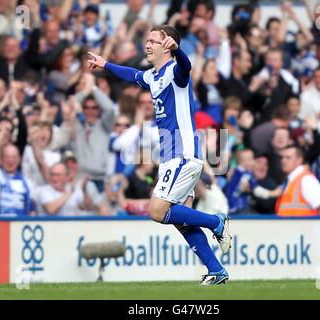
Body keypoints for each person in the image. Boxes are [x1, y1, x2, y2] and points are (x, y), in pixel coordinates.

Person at [87, 25, 232, 285]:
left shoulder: (175, 72)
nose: (147, 44)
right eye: (147, 40)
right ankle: (216, 269)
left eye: (154, 40)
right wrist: (106, 64)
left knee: (157, 210)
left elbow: (186, 68)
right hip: (172, 156)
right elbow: (132, 75)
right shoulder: (153, 76)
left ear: (167, 45)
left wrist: (180, 52)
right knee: (181, 219)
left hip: (182, 153)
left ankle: (216, 221)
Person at [276, 144, 320, 216]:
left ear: (299, 160)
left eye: (288, 158)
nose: (283, 160)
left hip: (302, 227)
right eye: (282, 157)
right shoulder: (292, 180)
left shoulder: (306, 180)